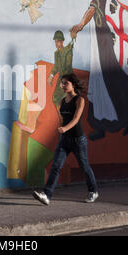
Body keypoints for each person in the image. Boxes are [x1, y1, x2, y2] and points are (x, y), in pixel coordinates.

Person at [70, 0, 128, 140]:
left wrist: (80, 25)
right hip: (98, 38)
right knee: (99, 81)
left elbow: (90, 11)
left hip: (101, 39)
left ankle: (122, 118)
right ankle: (100, 125)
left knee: (107, 79)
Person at [33, 73, 98, 205]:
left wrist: (65, 128)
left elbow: (76, 119)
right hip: (64, 140)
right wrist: (62, 130)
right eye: (62, 83)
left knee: (84, 166)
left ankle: (93, 191)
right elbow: (63, 119)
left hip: (78, 140)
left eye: (65, 83)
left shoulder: (79, 100)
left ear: (73, 84)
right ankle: (47, 195)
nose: (62, 85)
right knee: (56, 166)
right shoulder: (62, 102)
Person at [47, 30, 75, 107]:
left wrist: (73, 37)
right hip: (61, 79)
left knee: (67, 97)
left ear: (62, 41)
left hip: (68, 78)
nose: (56, 43)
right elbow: (56, 66)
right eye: (55, 41)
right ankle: (62, 116)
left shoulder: (67, 50)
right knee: (55, 98)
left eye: (58, 41)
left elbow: (71, 44)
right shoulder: (56, 53)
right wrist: (51, 76)